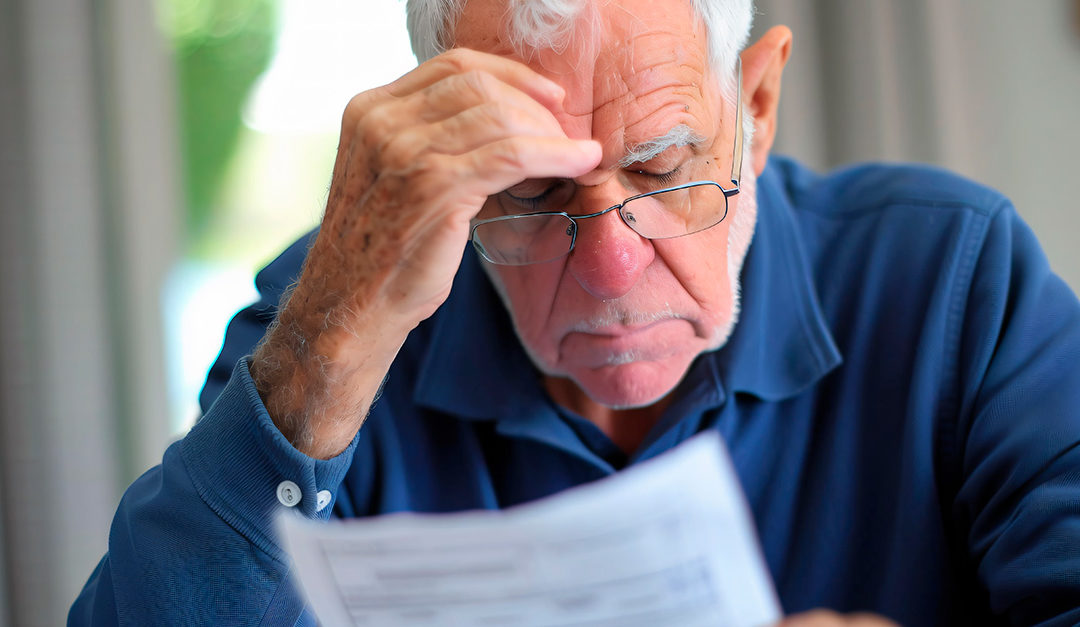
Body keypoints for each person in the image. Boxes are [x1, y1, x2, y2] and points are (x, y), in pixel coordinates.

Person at [70, 0, 1080, 624]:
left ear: (757, 110)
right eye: (531, 191)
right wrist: (333, 335)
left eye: (662, 165)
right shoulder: (338, 307)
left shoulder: (952, 279)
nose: (607, 267)